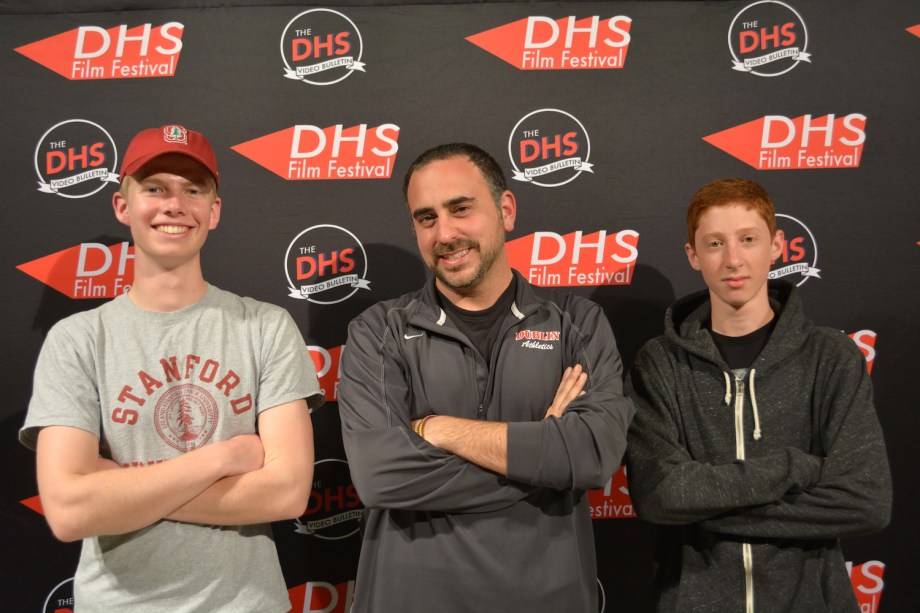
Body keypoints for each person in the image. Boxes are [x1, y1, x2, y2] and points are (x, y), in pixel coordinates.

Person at [20, 124, 323, 612]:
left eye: (193, 190)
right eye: (155, 188)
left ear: (213, 211)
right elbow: (69, 512)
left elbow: (286, 494)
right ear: (123, 206)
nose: (174, 205)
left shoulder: (265, 327)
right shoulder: (77, 339)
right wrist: (223, 459)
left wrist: (118, 489)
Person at [338, 142, 635, 612]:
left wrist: (440, 429)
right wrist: (546, 456)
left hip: (546, 600)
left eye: (461, 209)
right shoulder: (379, 330)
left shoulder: (576, 323)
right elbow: (380, 476)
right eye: (427, 218)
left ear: (506, 210)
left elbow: (593, 454)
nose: (445, 233)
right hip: (411, 599)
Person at [625, 178, 892, 612]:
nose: (733, 259)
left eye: (748, 239)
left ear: (777, 245)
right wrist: (795, 468)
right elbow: (661, 495)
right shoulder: (661, 363)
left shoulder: (830, 357)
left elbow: (865, 502)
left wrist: (704, 514)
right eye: (715, 243)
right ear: (693, 255)